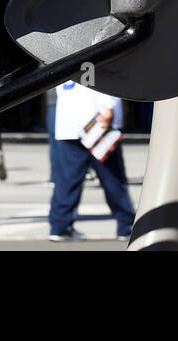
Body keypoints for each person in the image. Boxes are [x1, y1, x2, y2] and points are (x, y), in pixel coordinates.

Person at [49, 80, 134, 242]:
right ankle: (126, 225)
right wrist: (109, 108)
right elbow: (102, 78)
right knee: (112, 177)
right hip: (96, 121)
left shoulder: (60, 55)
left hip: (69, 121)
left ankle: (60, 226)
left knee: (67, 180)